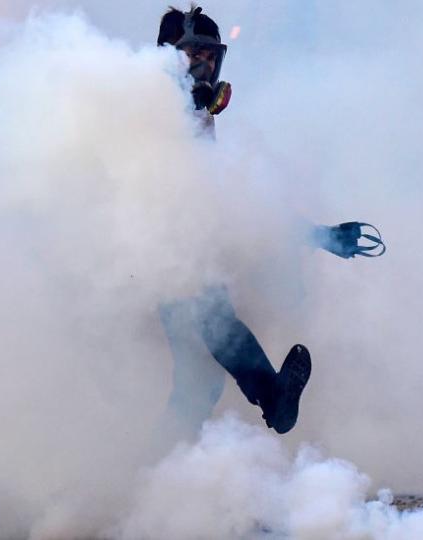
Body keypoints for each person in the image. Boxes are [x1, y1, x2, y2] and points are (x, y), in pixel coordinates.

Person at [155, 5, 385, 436]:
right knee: (212, 317)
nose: (205, 66)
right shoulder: (147, 108)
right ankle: (273, 398)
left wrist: (319, 235)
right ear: (168, 55)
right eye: (194, 55)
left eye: (210, 57)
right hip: (160, 256)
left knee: (197, 387)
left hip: (184, 250)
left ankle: (142, 480)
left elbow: (237, 202)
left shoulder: (196, 117)